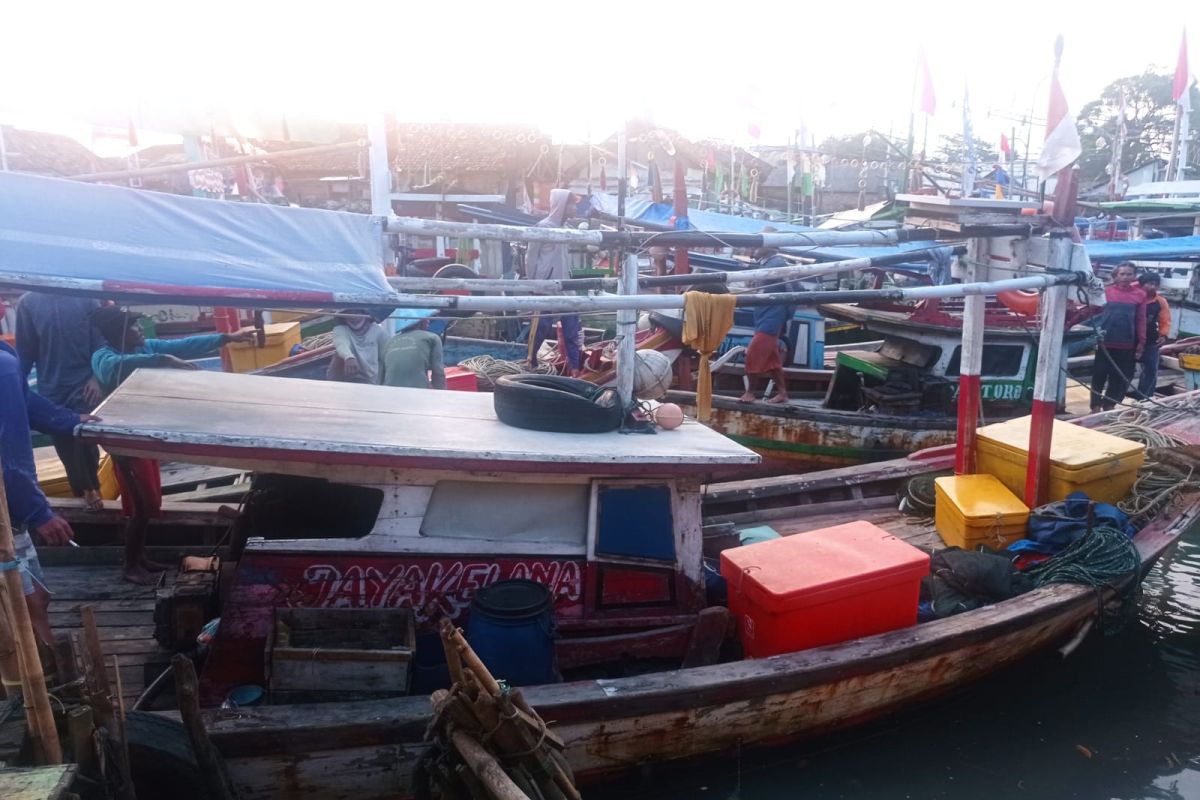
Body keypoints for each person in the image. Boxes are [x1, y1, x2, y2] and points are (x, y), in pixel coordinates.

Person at [90, 307, 255, 584]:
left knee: (150, 501)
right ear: (119, 333)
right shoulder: (104, 356)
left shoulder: (144, 348)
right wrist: (164, 359)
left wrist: (229, 337)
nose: (141, 330)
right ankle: (131, 566)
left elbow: (184, 345)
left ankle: (140, 557)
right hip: (122, 441)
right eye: (134, 327)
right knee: (139, 505)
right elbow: (112, 369)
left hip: (142, 437)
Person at [1, 341, 94, 650]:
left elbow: (24, 400)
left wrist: (70, 420)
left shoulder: (6, 359)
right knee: (27, 605)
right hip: (6, 515)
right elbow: (8, 452)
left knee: (37, 597)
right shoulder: (3, 365)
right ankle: (48, 691)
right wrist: (39, 512)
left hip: (12, 511)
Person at [15, 292, 106, 510]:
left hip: (84, 383)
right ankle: (85, 490)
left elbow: (101, 342)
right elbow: (26, 350)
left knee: (85, 438)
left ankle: (92, 488)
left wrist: (96, 378)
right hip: (51, 386)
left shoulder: (86, 298)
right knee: (64, 443)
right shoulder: (27, 303)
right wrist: (17, 385)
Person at [526, 189, 582, 375]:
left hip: (565, 285)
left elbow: (585, 242)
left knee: (572, 329)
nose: (575, 208)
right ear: (562, 205)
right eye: (571, 204)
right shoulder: (542, 227)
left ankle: (575, 369)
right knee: (540, 328)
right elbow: (531, 256)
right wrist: (533, 282)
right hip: (545, 285)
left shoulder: (568, 230)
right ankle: (530, 363)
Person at [739, 229, 794, 404]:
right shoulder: (769, 264)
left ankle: (750, 392)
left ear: (768, 246)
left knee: (753, 354)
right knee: (772, 361)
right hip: (765, 317)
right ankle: (782, 393)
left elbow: (792, 290)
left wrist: (784, 317)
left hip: (771, 319)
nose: (753, 249)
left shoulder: (777, 264)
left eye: (758, 245)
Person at [1088, 263, 1146, 412]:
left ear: (1135, 276)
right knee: (1099, 375)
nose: (1125, 277)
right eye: (1122, 274)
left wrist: (1141, 343)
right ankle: (1095, 405)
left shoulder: (1140, 295)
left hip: (1126, 343)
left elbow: (1141, 320)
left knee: (1118, 377)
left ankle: (1109, 405)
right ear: (1115, 276)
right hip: (1104, 342)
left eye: (1129, 274)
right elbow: (1091, 310)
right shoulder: (1105, 291)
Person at [1135, 272, 1171, 400]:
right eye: (1149, 284)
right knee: (1126, 370)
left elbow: (1165, 320)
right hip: (1131, 340)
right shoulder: (1134, 298)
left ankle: (1145, 398)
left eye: (1155, 284)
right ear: (1142, 284)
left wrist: (1163, 335)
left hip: (1151, 340)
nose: (1152, 287)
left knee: (1151, 371)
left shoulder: (1160, 301)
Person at [382, 319, 446, 390]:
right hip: (418, 393)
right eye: (426, 318)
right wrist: (441, 396)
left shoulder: (389, 342)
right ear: (418, 321)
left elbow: (381, 377)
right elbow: (438, 373)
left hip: (390, 394)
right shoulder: (432, 338)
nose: (428, 321)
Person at [328, 312, 389, 384]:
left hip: (371, 381)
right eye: (349, 312)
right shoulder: (340, 329)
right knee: (338, 355)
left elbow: (387, 355)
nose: (354, 317)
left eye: (358, 312)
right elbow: (341, 344)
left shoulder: (379, 331)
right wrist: (349, 357)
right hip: (346, 379)